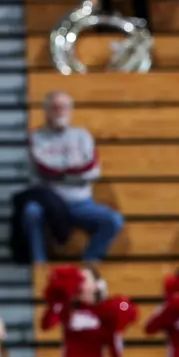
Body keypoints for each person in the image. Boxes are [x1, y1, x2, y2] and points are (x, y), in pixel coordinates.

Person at [26, 91, 126, 263]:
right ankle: (38, 265)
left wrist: (58, 175)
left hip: (82, 204)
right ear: (46, 111)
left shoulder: (83, 136)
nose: (60, 112)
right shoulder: (36, 138)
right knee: (31, 212)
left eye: (64, 107)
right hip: (50, 203)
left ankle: (89, 263)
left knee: (113, 220)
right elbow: (36, 174)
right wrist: (73, 174)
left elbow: (92, 172)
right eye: (55, 107)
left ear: (70, 111)